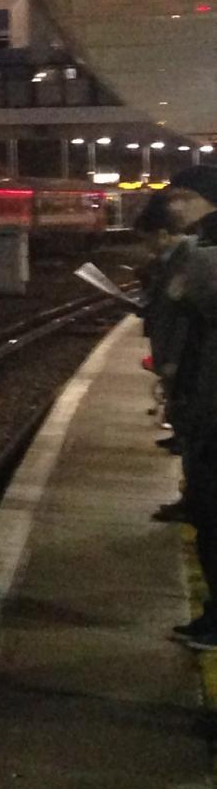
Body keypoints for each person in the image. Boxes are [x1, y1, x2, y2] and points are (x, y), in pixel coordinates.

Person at [160, 168, 217, 651]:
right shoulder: (199, 246)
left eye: (182, 196)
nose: (173, 205)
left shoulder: (204, 250)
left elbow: (189, 294)